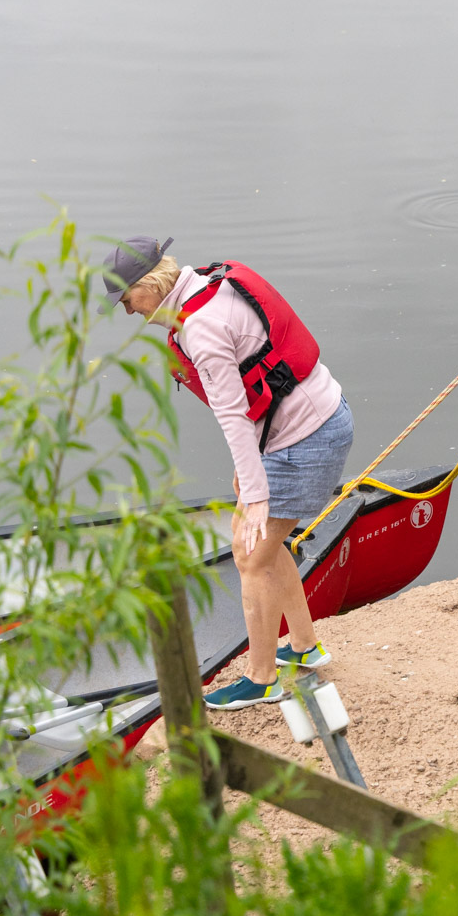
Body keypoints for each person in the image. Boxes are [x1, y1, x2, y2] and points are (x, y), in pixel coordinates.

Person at [101, 238, 353, 705]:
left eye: (128, 300)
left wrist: (256, 490)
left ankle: (260, 680)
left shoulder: (200, 329)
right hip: (308, 422)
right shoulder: (212, 285)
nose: (128, 312)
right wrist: (254, 469)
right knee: (262, 540)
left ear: (149, 285)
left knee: (249, 551)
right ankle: (304, 647)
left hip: (307, 437)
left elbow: (234, 414)